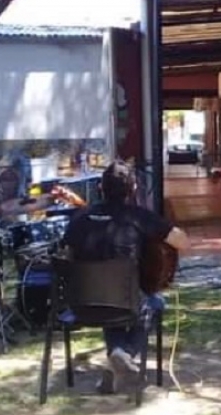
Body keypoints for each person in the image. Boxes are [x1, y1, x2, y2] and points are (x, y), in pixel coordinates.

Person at [62, 161, 190, 394]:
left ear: (100, 188)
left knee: (110, 303)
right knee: (154, 303)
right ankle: (123, 354)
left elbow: (65, 253)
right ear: (133, 189)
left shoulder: (80, 218)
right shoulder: (139, 217)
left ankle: (116, 362)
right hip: (126, 302)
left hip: (81, 305)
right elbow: (182, 242)